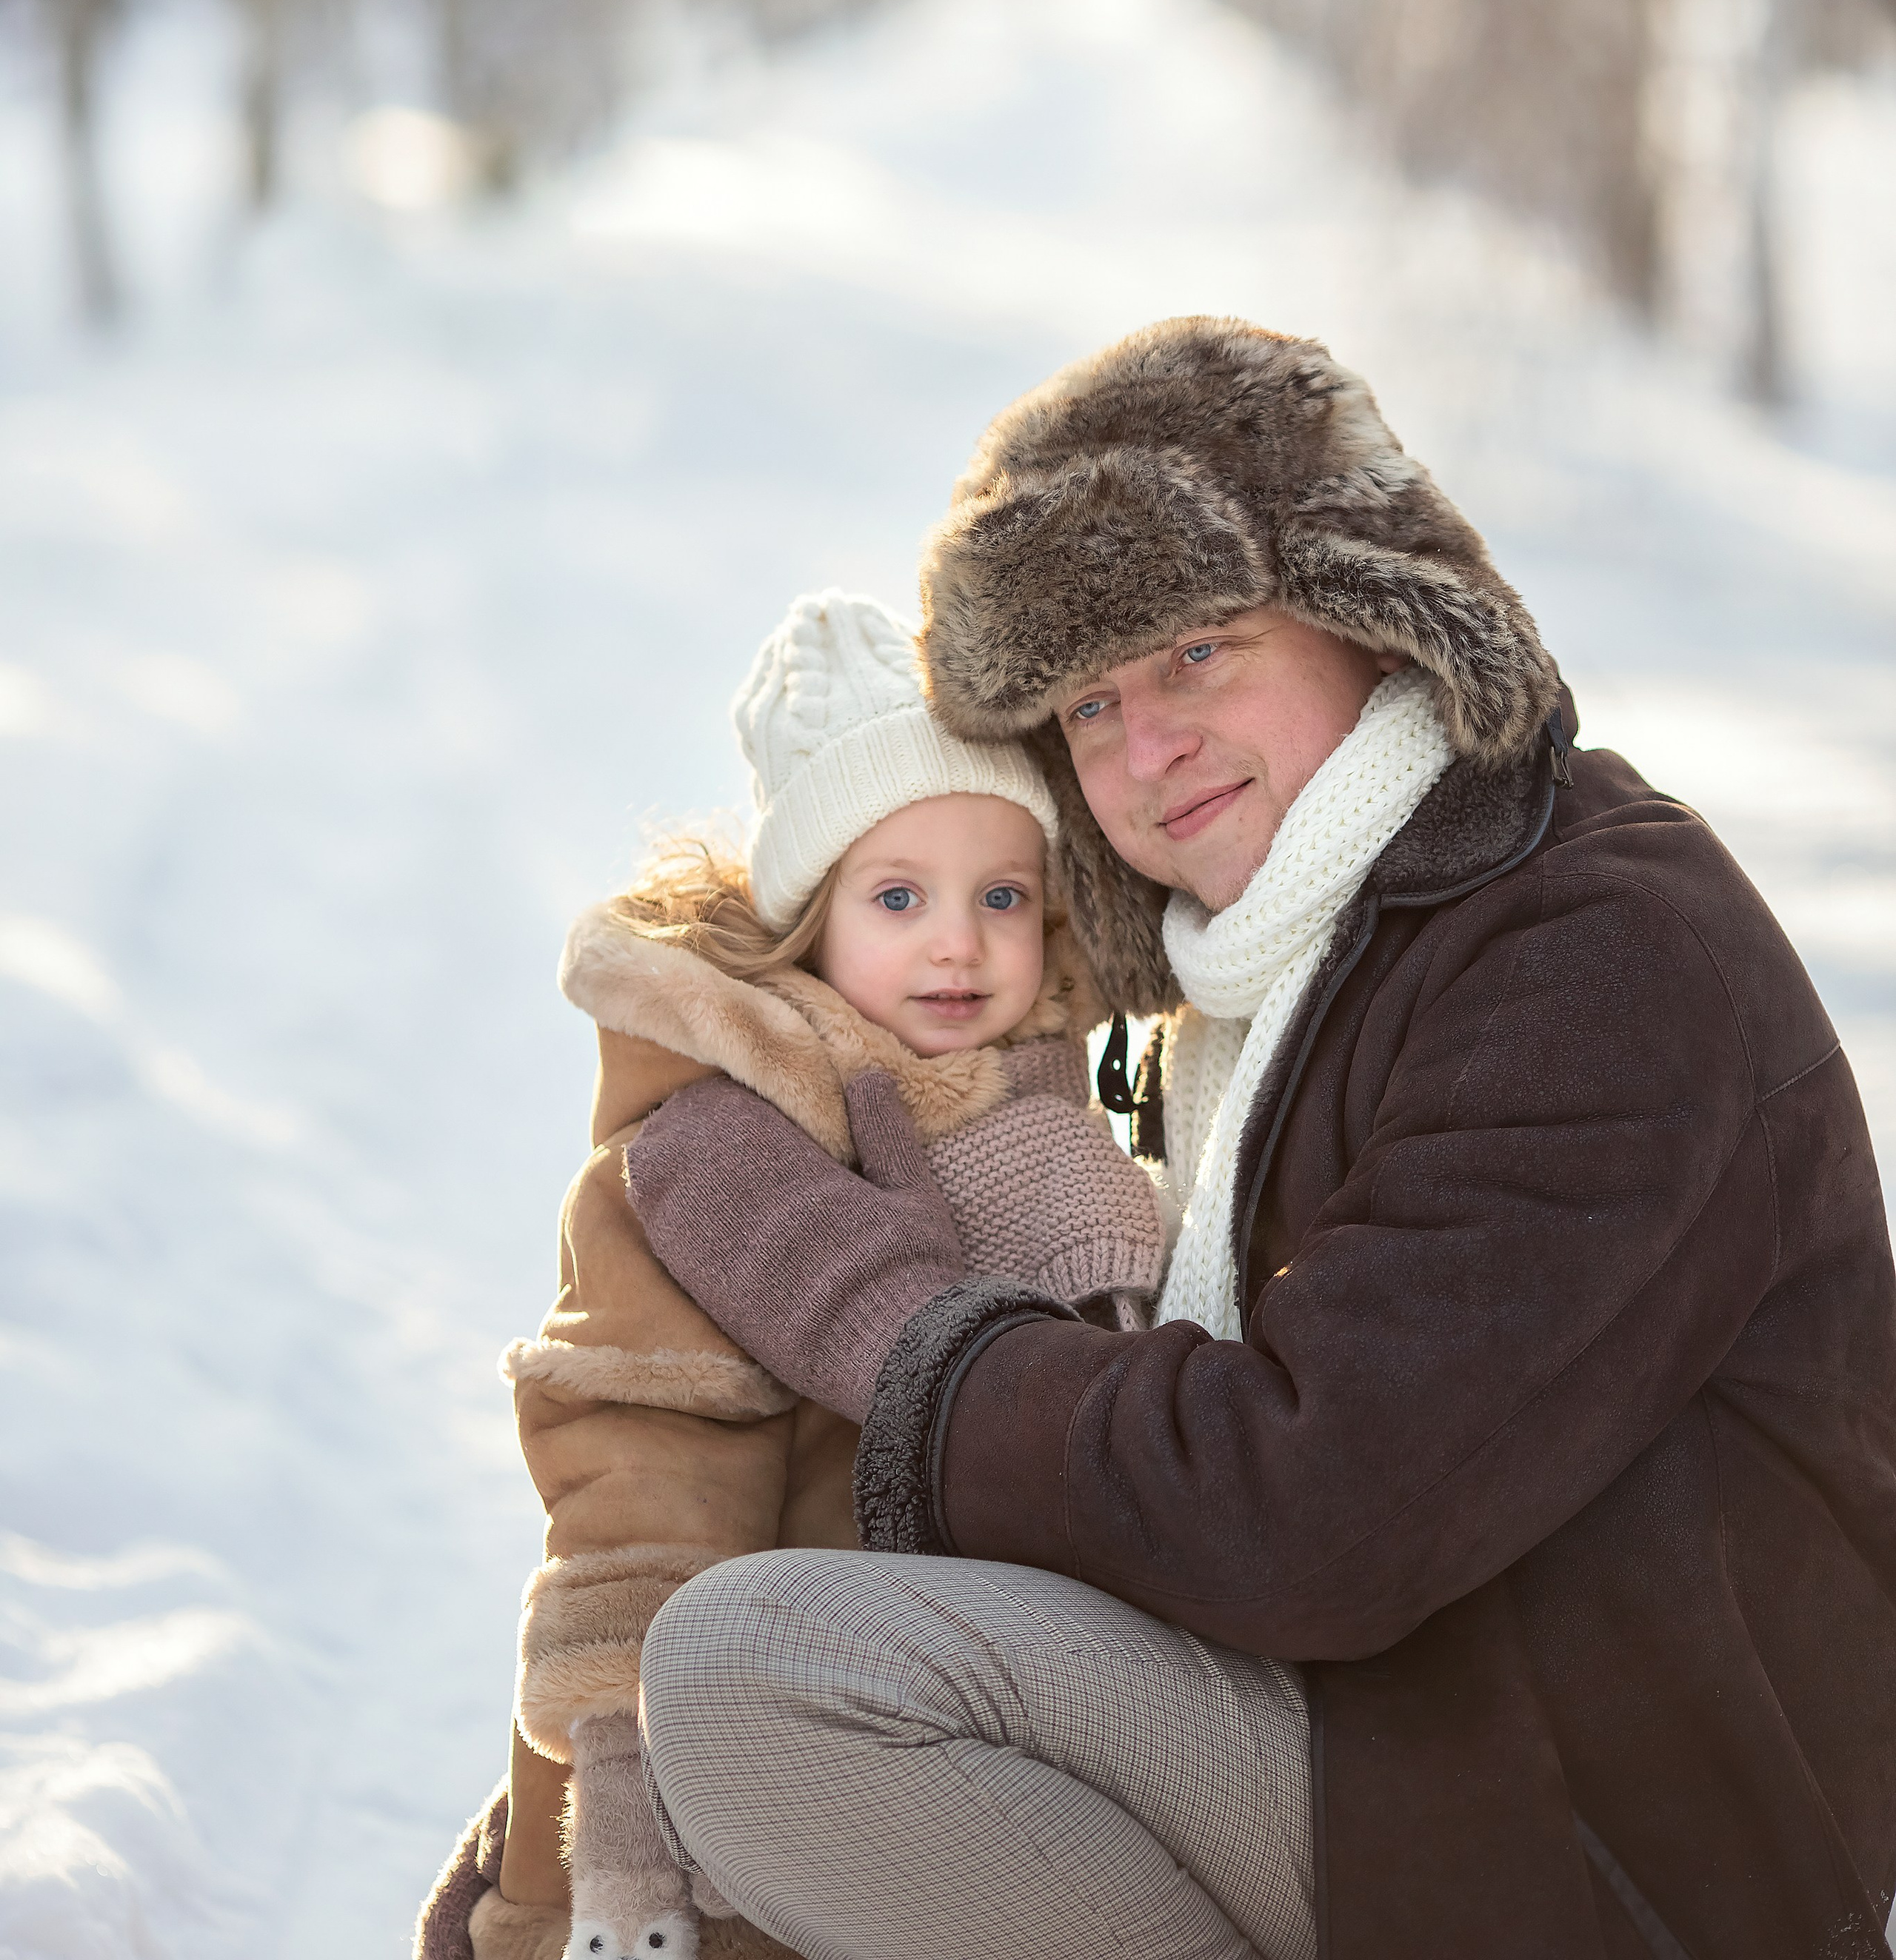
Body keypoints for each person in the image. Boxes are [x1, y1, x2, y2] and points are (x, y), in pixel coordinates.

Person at [624, 318, 1896, 1960]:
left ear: (1365, 615)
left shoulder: (1592, 950)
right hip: (1415, 1732)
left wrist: (897, 1336)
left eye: (1196, 653)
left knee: (762, 1673)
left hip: (1603, 1840)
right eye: (1087, 702)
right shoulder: (1255, 975)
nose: (1144, 751)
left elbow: (1303, 1517)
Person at [414, 589, 1166, 1960]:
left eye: (1003, 897)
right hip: (716, 1801)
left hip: (933, 1755)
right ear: (807, 923)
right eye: (899, 899)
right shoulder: (721, 1153)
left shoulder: (1052, 1139)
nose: (960, 943)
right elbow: (643, 1491)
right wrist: (625, 1823)